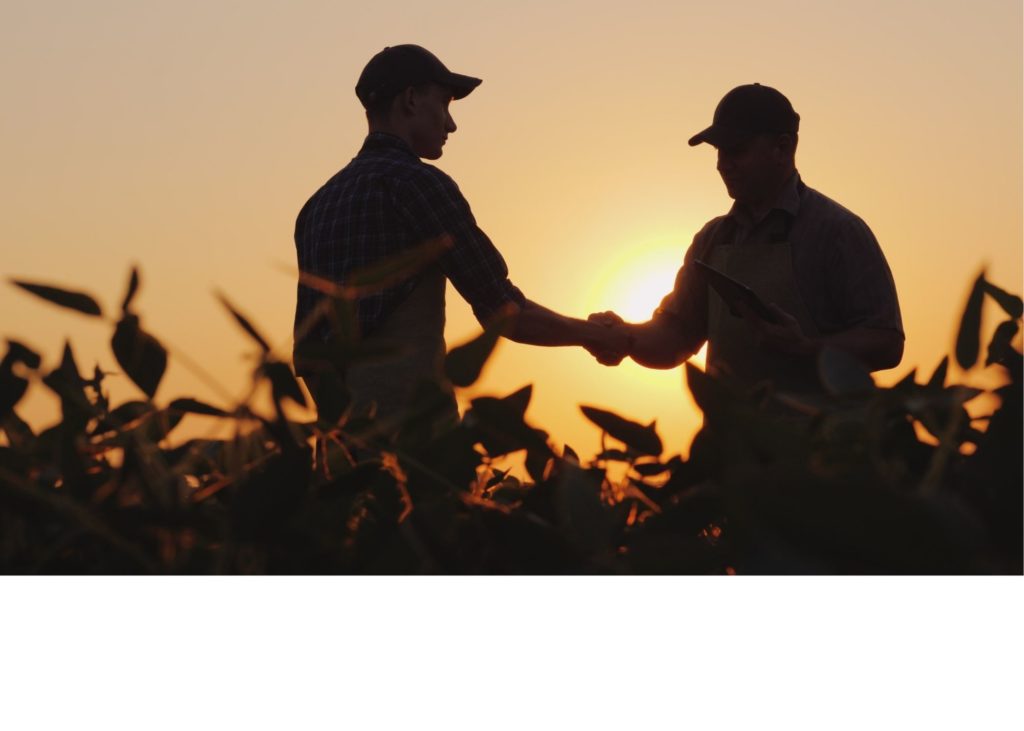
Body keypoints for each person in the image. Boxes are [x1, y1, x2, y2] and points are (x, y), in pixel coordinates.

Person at [293, 44, 624, 425]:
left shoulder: (316, 206)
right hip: (413, 451)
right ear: (412, 99)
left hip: (340, 459)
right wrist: (595, 335)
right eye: (446, 104)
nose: (451, 124)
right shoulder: (418, 185)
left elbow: (308, 355)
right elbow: (504, 311)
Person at [588, 83, 904, 393]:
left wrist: (807, 347)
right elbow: (674, 340)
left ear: (783, 148)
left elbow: (887, 344)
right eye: (719, 152)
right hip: (729, 443)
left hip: (819, 443)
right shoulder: (711, 240)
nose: (723, 164)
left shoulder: (839, 232)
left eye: (737, 150)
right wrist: (623, 337)